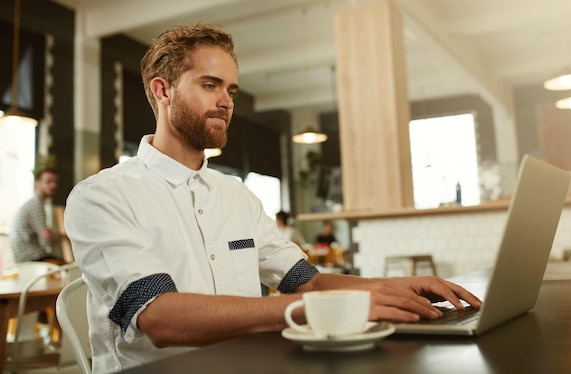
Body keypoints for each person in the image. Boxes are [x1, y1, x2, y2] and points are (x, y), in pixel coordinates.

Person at [63, 23, 481, 373]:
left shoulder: (237, 196)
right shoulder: (102, 197)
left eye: (231, 90)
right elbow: (160, 318)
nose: (226, 101)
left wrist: (394, 286)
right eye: (210, 85)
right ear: (162, 90)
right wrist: (310, 310)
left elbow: (308, 282)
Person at [9, 168, 65, 264]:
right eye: (48, 181)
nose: (53, 185)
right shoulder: (35, 205)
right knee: (72, 269)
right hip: (31, 257)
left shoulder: (33, 204)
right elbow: (45, 235)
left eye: (55, 182)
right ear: (37, 184)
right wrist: (63, 235)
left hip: (25, 257)